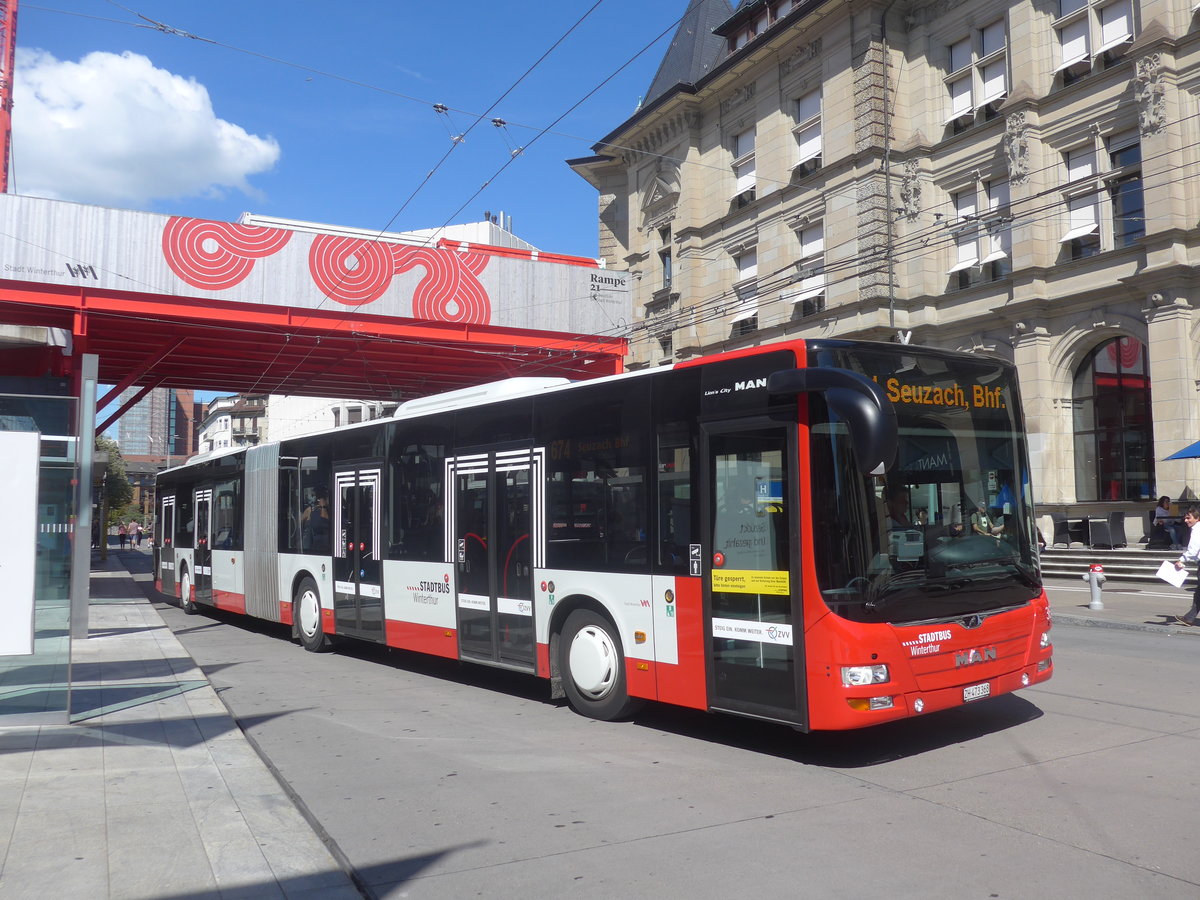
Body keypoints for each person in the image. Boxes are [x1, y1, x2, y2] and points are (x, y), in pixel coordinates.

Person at [1172, 505, 1200, 625]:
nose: (1186, 520)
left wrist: (1181, 560)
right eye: (1185, 518)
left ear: (1197, 518)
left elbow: (1193, 549)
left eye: (1189, 518)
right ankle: (1189, 618)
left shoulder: (1197, 530)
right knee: (1198, 593)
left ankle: (1189, 618)